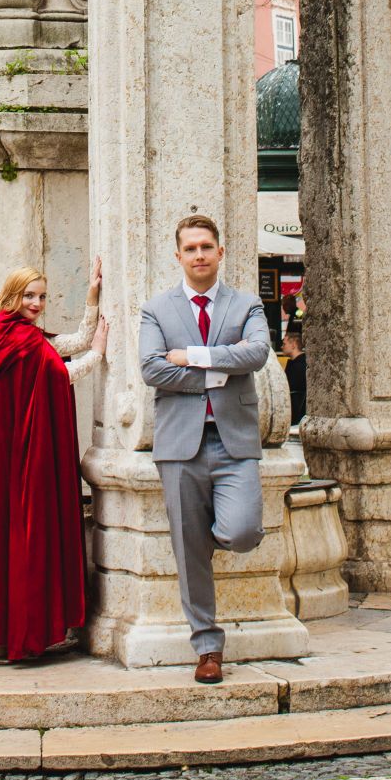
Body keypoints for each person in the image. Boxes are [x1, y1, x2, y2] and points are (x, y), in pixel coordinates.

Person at [140, 215, 270, 685]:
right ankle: (208, 647)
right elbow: (153, 369)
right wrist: (221, 369)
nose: (199, 255)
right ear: (178, 256)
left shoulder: (246, 304)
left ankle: (214, 532)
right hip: (179, 445)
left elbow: (256, 354)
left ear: (220, 252)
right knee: (188, 553)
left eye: (206, 247)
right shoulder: (157, 309)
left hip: (234, 441)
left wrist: (193, 358)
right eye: (190, 248)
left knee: (241, 531)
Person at [0, 257, 108, 662]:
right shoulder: (16, 338)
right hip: (9, 447)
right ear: (12, 296)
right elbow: (60, 372)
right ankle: (19, 635)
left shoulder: (5, 331)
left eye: (42, 296)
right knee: (19, 527)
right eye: (29, 295)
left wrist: (93, 296)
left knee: (2, 533)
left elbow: (66, 343)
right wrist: (98, 354)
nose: (37, 303)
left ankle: (2, 637)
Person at [281, 327, 307, 425]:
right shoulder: (301, 363)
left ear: (293, 345)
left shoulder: (298, 366)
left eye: (284, 344)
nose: (281, 347)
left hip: (296, 417)